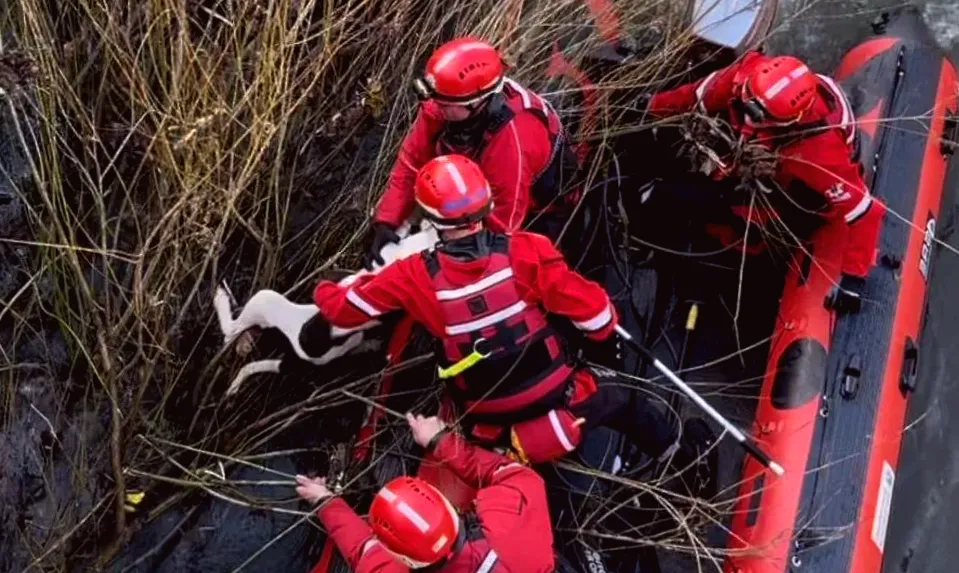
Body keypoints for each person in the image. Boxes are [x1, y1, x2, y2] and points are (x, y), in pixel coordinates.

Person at [314, 154, 712, 487]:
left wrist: (324, 287)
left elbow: (341, 309)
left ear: (433, 219)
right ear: (486, 204)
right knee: (625, 403)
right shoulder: (527, 250)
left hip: (486, 421)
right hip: (559, 400)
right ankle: (685, 460)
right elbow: (596, 313)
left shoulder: (410, 276)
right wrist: (606, 347)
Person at [646, 52, 887, 313]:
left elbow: (866, 211)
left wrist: (852, 282)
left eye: (757, 115)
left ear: (789, 121)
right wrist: (651, 107)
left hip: (790, 191)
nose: (749, 118)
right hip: (759, 155)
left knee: (704, 209)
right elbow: (696, 95)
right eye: (747, 106)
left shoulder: (819, 154)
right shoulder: (746, 76)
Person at [366, 37, 579, 268]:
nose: (435, 107)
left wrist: (452, 260)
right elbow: (411, 163)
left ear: (475, 103)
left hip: (536, 210)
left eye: (444, 104)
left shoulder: (514, 136)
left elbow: (502, 227)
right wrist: (387, 221)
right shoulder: (444, 100)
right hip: (469, 182)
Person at [295, 413, 555, 572]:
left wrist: (323, 500)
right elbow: (512, 474)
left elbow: (362, 548)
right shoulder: (513, 516)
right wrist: (440, 440)